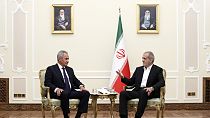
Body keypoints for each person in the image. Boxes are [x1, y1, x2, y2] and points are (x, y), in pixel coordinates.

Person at [116, 51, 165, 118]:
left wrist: (152, 88)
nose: (142, 60)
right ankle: (123, 116)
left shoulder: (158, 70)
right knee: (123, 93)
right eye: (142, 58)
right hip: (138, 91)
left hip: (149, 92)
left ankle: (137, 116)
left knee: (144, 91)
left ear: (151, 60)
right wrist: (122, 77)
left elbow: (162, 82)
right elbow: (131, 82)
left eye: (144, 58)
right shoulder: (138, 69)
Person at [44, 50, 90, 118]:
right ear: (59, 59)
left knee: (86, 93)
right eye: (66, 59)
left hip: (70, 91)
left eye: (68, 58)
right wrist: (56, 89)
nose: (68, 61)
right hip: (59, 93)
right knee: (64, 93)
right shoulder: (51, 69)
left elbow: (75, 80)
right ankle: (66, 115)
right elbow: (47, 82)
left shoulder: (70, 69)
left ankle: (78, 116)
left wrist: (81, 86)